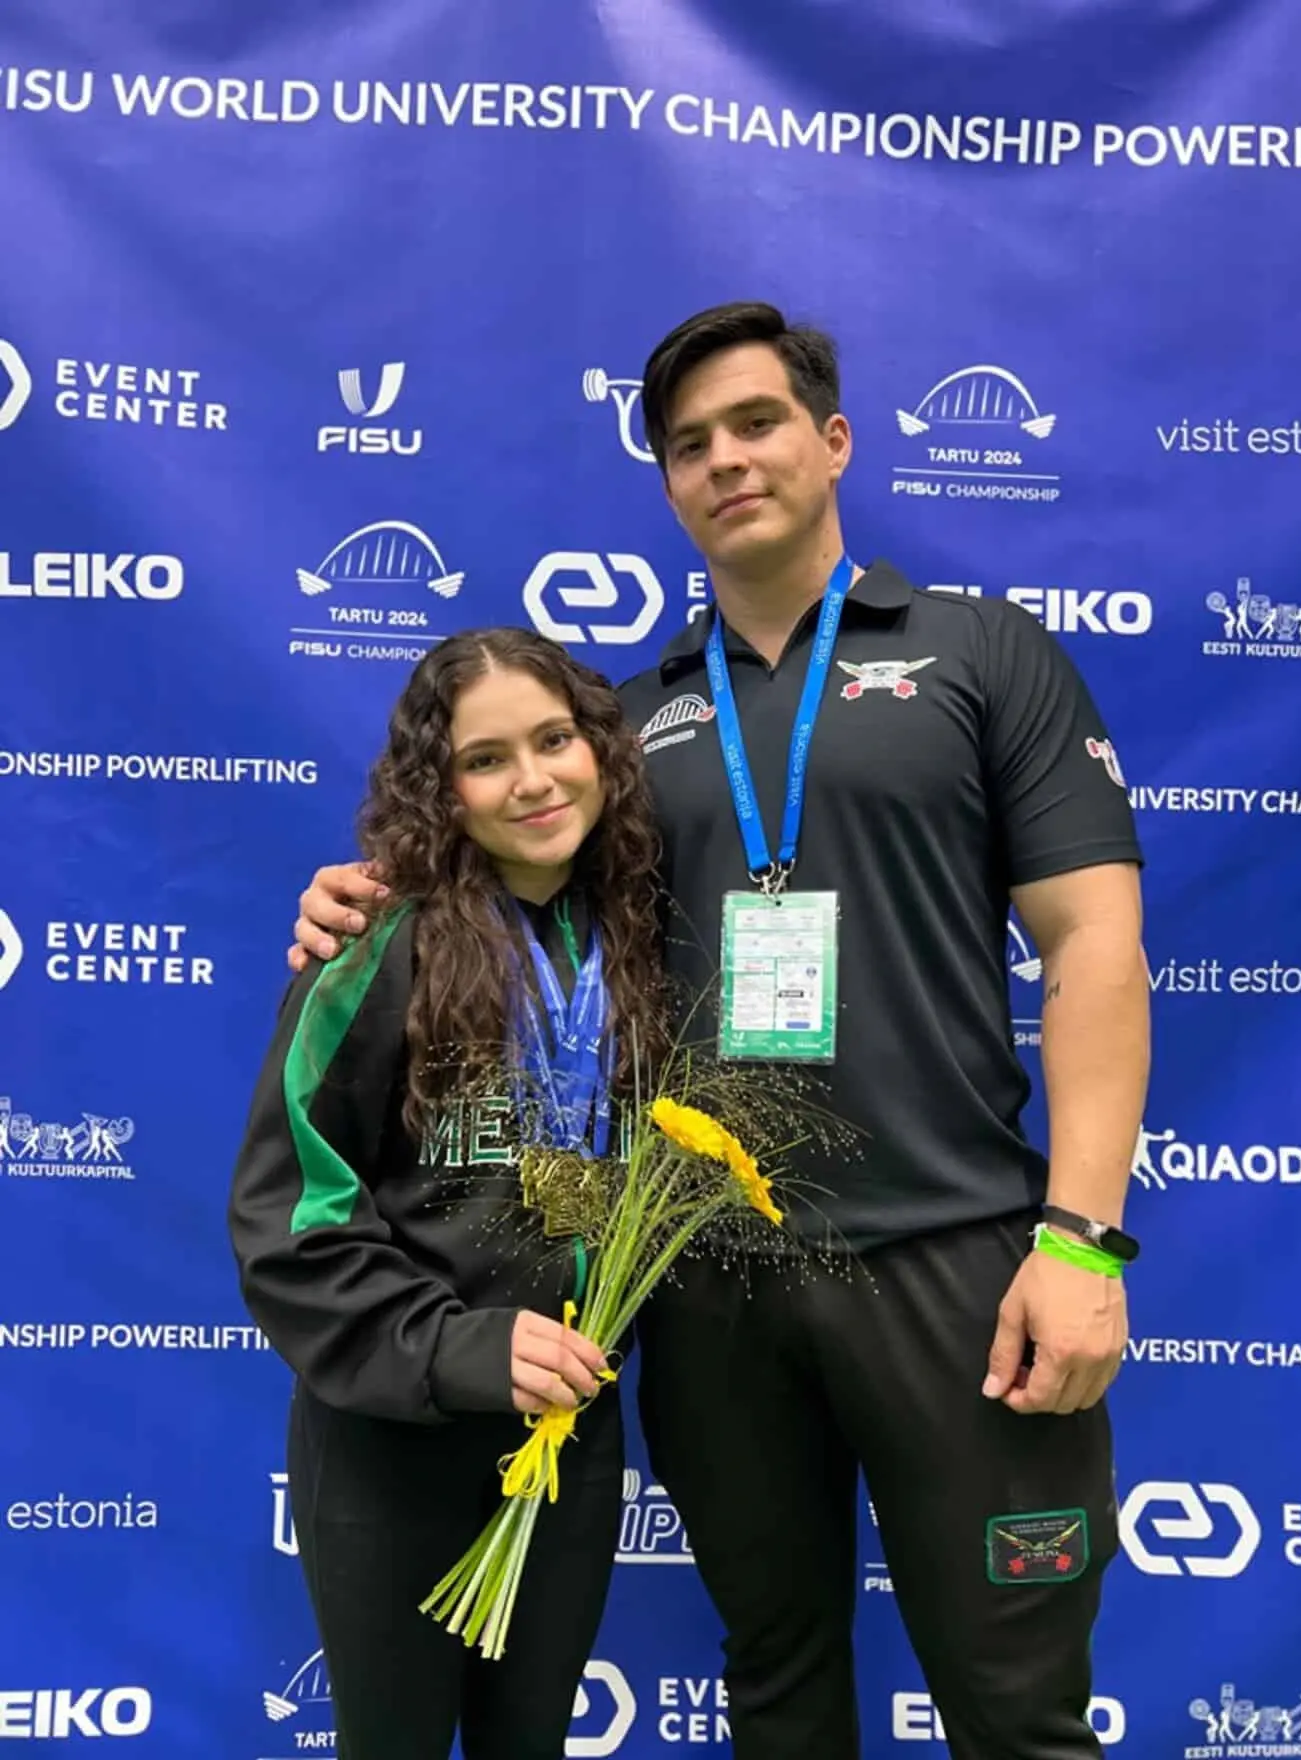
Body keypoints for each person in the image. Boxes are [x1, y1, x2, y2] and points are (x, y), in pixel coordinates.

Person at [289, 302, 1150, 1759]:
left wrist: (1079, 1239)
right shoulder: (623, 725)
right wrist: (365, 896)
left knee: (1018, 1710)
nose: (725, 461)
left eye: (755, 424)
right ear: (670, 485)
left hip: (958, 1263)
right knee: (778, 1684)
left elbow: (1097, 952)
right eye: (688, 446)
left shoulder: (982, 656)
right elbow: (506, 883)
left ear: (833, 441)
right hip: (707, 1284)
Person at [231, 627, 667, 1760]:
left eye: (555, 738)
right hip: (393, 1443)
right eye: (486, 758)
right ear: (443, 788)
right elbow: (292, 1223)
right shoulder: (373, 943)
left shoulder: (637, 939)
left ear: (600, 749)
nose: (531, 779)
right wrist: (457, 1348)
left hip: (569, 1440)